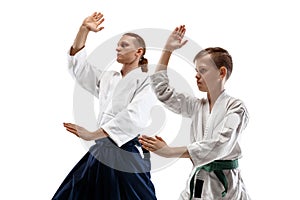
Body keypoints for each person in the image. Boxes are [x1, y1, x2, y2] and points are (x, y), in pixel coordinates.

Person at [52, 12, 157, 200]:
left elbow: (133, 116)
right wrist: (83, 30)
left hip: (126, 153)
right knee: (71, 194)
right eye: (117, 45)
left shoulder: (147, 81)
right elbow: (80, 69)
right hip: (100, 153)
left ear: (139, 52)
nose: (117, 48)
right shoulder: (109, 78)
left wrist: (92, 134)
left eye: (124, 45)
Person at [139, 25, 251, 199]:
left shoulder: (236, 108)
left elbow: (221, 144)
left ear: (221, 72)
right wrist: (167, 50)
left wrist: (170, 151)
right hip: (198, 180)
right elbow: (162, 91)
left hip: (225, 188)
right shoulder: (197, 106)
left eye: (203, 71)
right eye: (196, 71)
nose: (196, 76)